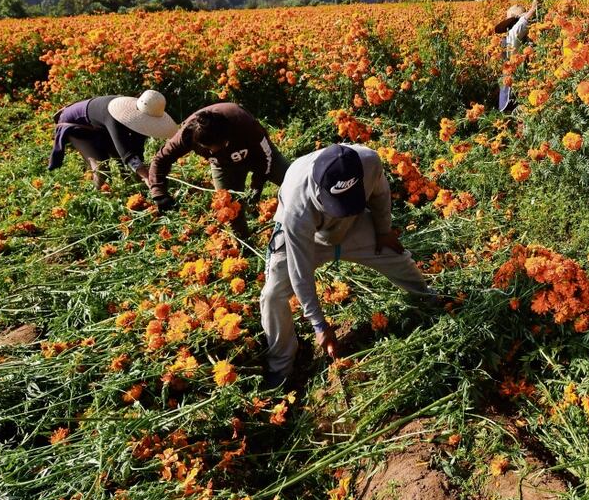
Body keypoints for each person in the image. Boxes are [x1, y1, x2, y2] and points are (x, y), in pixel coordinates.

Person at [259, 143, 433, 388]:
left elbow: (381, 193)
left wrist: (383, 231)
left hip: (352, 225)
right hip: (309, 237)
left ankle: (430, 300)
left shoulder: (369, 161)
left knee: (395, 255)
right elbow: (300, 271)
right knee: (272, 295)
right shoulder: (296, 205)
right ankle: (281, 367)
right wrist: (319, 324)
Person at [147, 102, 289, 235]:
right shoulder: (187, 134)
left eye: (218, 146)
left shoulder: (243, 123)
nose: (212, 152)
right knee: (229, 208)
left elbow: (266, 155)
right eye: (208, 148)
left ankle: (301, 216)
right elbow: (161, 159)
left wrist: (257, 185)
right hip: (223, 166)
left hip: (256, 155)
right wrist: (159, 194)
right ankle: (244, 242)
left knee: (293, 181)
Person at [48, 90, 178, 188]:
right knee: (102, 169)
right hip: (76, 126)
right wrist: (145, 176)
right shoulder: (115, 115)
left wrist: (142, 169)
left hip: (98, 126)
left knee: (125, 165)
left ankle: (130, 190)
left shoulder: (140, 118)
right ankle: (95, 199)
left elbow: (137, 146)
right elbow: (124, 150)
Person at [495, 0, 539, 112]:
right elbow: (517, 31)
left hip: (523, 84)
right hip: (514, 86)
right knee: (515, 112)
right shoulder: (512, 37)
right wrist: (532, 10)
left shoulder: (523, 37)